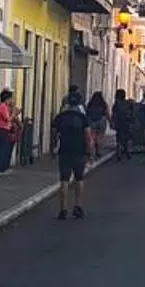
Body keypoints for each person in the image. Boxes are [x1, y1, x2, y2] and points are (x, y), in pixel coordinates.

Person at [52, 84, 91, 219]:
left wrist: (53, 148)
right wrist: (89, 151)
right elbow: (87, 136)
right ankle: (78, 206)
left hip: (64, 150)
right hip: (79, 151)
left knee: (64, 180)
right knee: (79, 179)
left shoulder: (60, 117)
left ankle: (63, 209)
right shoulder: (83, 118)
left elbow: (54, 133)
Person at [0, 87, 18, 175]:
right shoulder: (2, 107)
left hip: (0, 129)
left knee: (3, 149)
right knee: (3, 149)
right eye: (10, 99)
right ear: (6, 99)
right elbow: (7, 119)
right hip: (2, 129)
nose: (11, 101)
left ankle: (1, 168)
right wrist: (14, 114)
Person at [85, 87, 109, 160]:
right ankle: (98, 151)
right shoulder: (104, 104)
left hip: (91, 121)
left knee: (92, 138)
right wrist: (110, 121)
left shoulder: (90, 103)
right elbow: (107, 113)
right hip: (101, 121)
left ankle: (91, 153)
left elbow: (87, 112)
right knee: (99, 137)